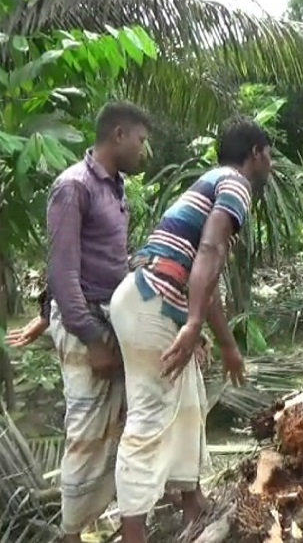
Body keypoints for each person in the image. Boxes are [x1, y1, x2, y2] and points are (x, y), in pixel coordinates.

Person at [110, 115, 266, 543]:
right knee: (148, 419)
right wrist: (193, 322)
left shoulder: (211, 183)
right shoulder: (235, 183)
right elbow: (212, 249)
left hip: (150, 299)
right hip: (153, 303)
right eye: (268, 155)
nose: (269, 164)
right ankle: (133, 535)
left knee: (189, 402)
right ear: (255, 153)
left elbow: (205, 276)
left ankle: (193, 505)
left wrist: (226, 344)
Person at [43, 102, 149, 543]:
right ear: (119, 135)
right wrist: (91, 339)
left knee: (119, 430)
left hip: (111, 321)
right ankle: (70, 534)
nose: (145, 151)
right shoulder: (74, 187)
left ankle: (101, 520)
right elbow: (62, 273)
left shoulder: (116, 188)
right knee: (85, 434)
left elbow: (112, 264)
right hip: (85, 324)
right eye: (142, 141)